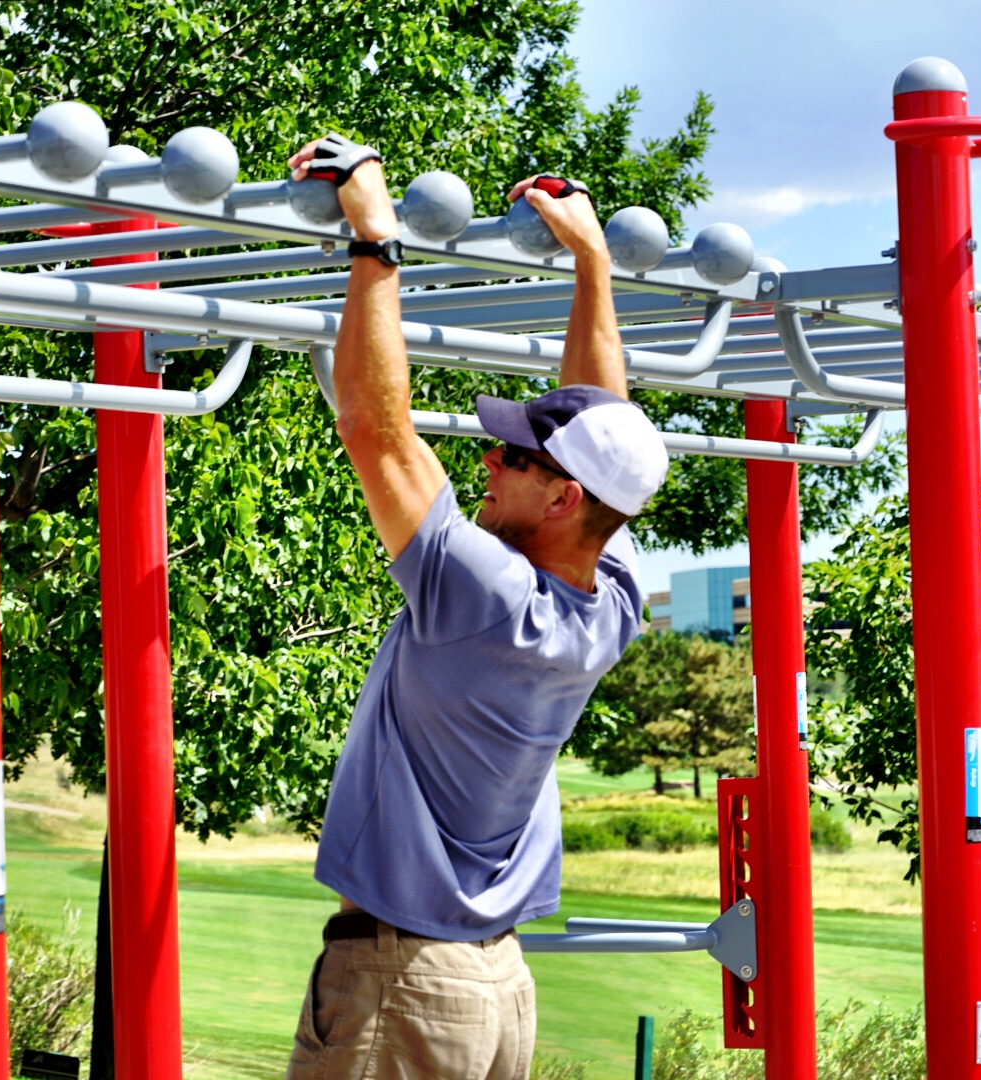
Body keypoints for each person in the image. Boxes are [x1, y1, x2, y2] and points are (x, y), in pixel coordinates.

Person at [283, 134, 669, 1080]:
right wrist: (592, 265)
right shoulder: (608, 598)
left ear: (563, 501)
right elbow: (602, 418)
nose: (488, 461)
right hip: (492, 991)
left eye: (515, 458)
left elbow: (376, 430)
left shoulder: (485, 594)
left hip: (405, 987)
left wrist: (372, 236)